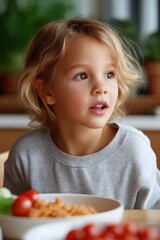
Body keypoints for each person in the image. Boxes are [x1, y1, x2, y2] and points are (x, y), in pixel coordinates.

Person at [4, 18, 160, 209]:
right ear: (47, 91)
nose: (101, 87)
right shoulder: (26, 155)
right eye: (82, 76)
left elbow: (153, 223)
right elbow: (12, 225)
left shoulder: (135, 151)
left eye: (109, 74)